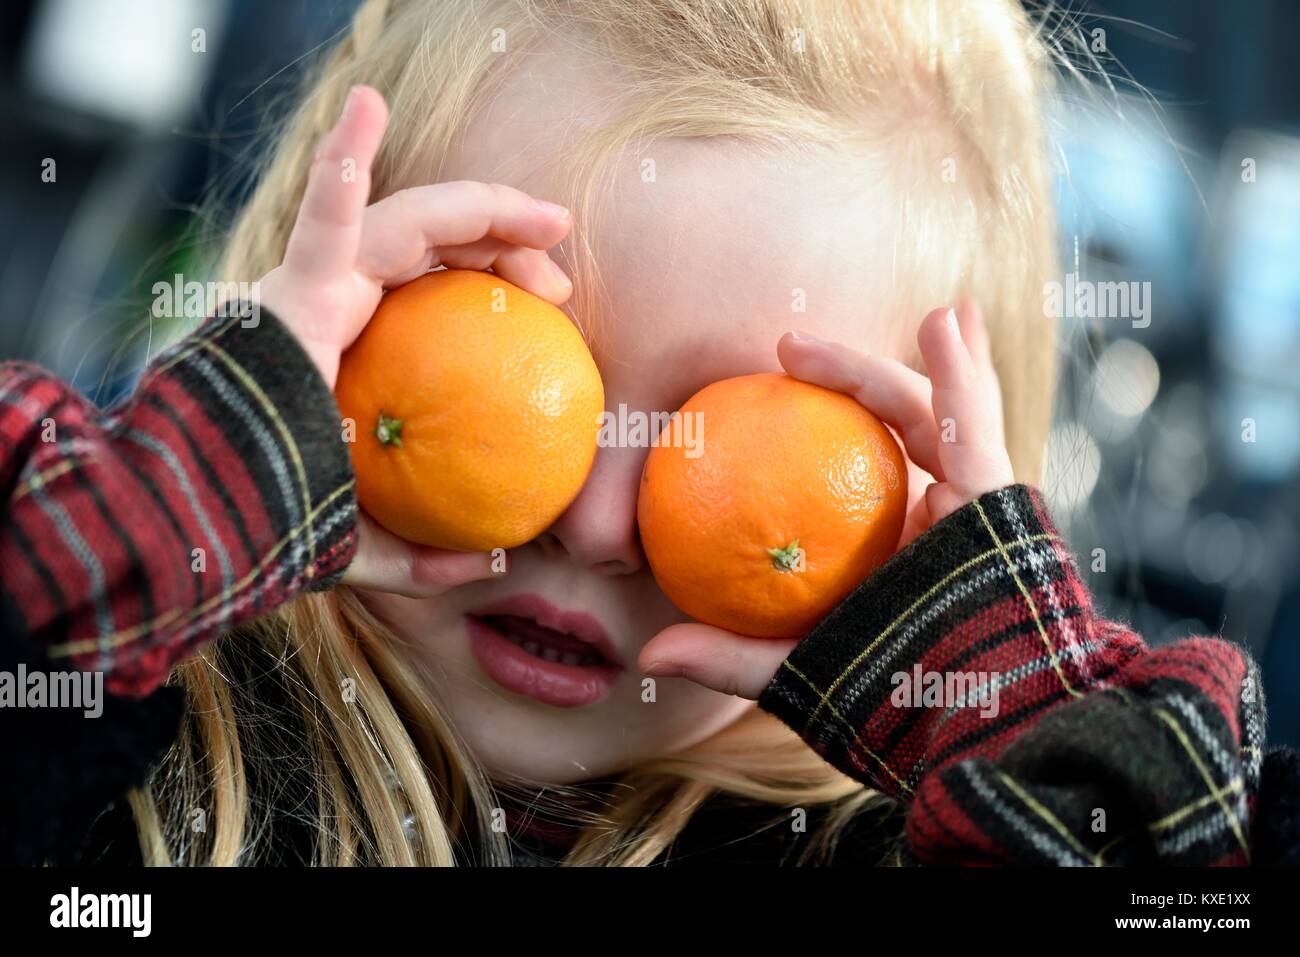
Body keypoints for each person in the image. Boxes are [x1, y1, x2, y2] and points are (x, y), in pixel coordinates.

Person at [2, 0, 1293, 866]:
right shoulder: (142, 731)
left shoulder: (912, 840)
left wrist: (1043, 748)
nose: (598, 524)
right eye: (509, 357)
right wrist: (142, 528)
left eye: (746, 434)